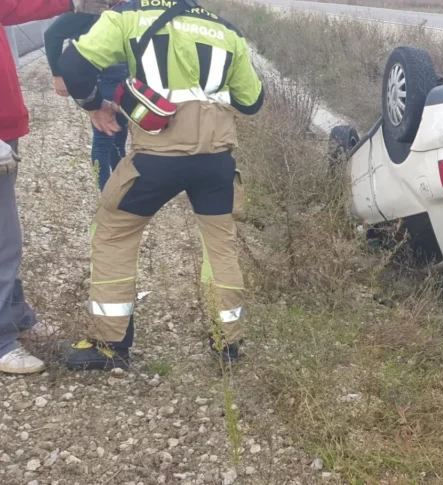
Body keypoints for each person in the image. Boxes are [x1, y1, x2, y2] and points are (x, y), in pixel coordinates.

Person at [57, 0, 264, 370]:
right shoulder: (227, 31)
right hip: (216, 162)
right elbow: (251, 101)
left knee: (113, 232)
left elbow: (74, 63)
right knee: (220, 246)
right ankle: (227, 344)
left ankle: (110, 343)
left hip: (156, 160)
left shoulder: (128, 17)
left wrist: (93, 104)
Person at [1, 0, 113, 374]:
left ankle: (16, 319)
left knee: (7, 232)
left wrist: (73, 2)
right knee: (3, 238)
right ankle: (3, 339)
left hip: (5, 128)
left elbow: (16, 7)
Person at [44, 6, 129, 191]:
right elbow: (52, 35)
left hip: (127, 79)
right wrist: (58, 75)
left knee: (120, 136)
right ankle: (106, 192)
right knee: (104, 138)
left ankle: (122, 187)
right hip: (102, 78)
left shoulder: (135, 6)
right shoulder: (91, 7)